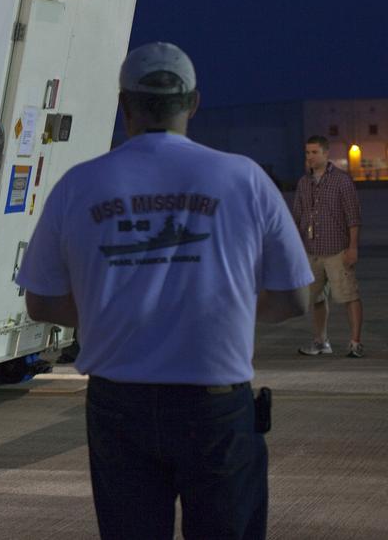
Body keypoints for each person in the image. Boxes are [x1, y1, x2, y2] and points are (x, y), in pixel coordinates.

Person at [16, 41, 312, 540]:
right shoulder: (244, 179)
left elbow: (41, 300)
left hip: (119, 406)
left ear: (123, 105)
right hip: (215, 405)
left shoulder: (79, 185)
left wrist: (103, 311)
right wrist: (229, 307)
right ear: (193, 103)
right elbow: (294, 298)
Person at [293, 135, 364, 358]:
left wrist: (352, 248)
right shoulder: (304, 182)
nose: (310, 157)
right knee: (315, 298)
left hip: (337, 250)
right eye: (307, 153)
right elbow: (297, 216)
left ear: (326, 153)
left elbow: (353, 216)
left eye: (314, 152)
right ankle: (321, 342)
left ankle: (355, 343)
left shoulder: (342, 181)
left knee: (348, 295)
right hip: (312, 250)